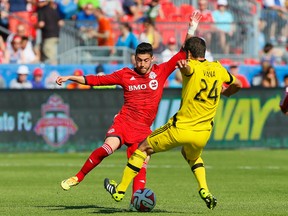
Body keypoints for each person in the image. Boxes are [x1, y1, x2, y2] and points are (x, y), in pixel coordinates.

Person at [55, 11, 201, 210]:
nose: (141, 64)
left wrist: (191, 27)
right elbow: (97, 80)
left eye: (145, 60)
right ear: (134, 58)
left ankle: (134, 202)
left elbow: (184, 51)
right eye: (138, 60)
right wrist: (71, 77)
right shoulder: (125, 74)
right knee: (108, 148)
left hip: (142, 129)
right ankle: (78, 177)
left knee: (140, 163)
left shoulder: (161, 71)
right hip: (124, 122)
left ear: (152, 59)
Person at [103, 36, 242, 210]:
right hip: (203, 133)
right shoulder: (218, 68)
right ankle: (204, 189)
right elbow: (238, 83)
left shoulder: (190, 66)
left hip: (181, 127)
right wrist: (227, 92)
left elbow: (188, 69)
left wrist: (185, 67)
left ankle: (120, 190)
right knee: (191, 156)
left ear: (189, 54)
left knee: (142, 148)